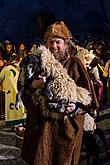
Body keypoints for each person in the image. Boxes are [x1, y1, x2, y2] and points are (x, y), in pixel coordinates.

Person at [21, 21, 99, 165]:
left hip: (64, 132)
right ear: (45, 43)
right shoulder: (36, 63)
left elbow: (90, 100)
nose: (54, 46)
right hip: (39, 128)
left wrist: (75, 107)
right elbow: (23, 92)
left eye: (58, 42)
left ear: (66, 44)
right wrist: (34, 85)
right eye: (50, 42)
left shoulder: (75, 63)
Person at [0, 54, 26, 126]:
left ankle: (12, 123)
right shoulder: (22, 68)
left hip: (10, 92)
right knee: (21, 106)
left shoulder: (6, 68)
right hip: (21, 91)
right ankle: (22, 121)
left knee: (11, 106)